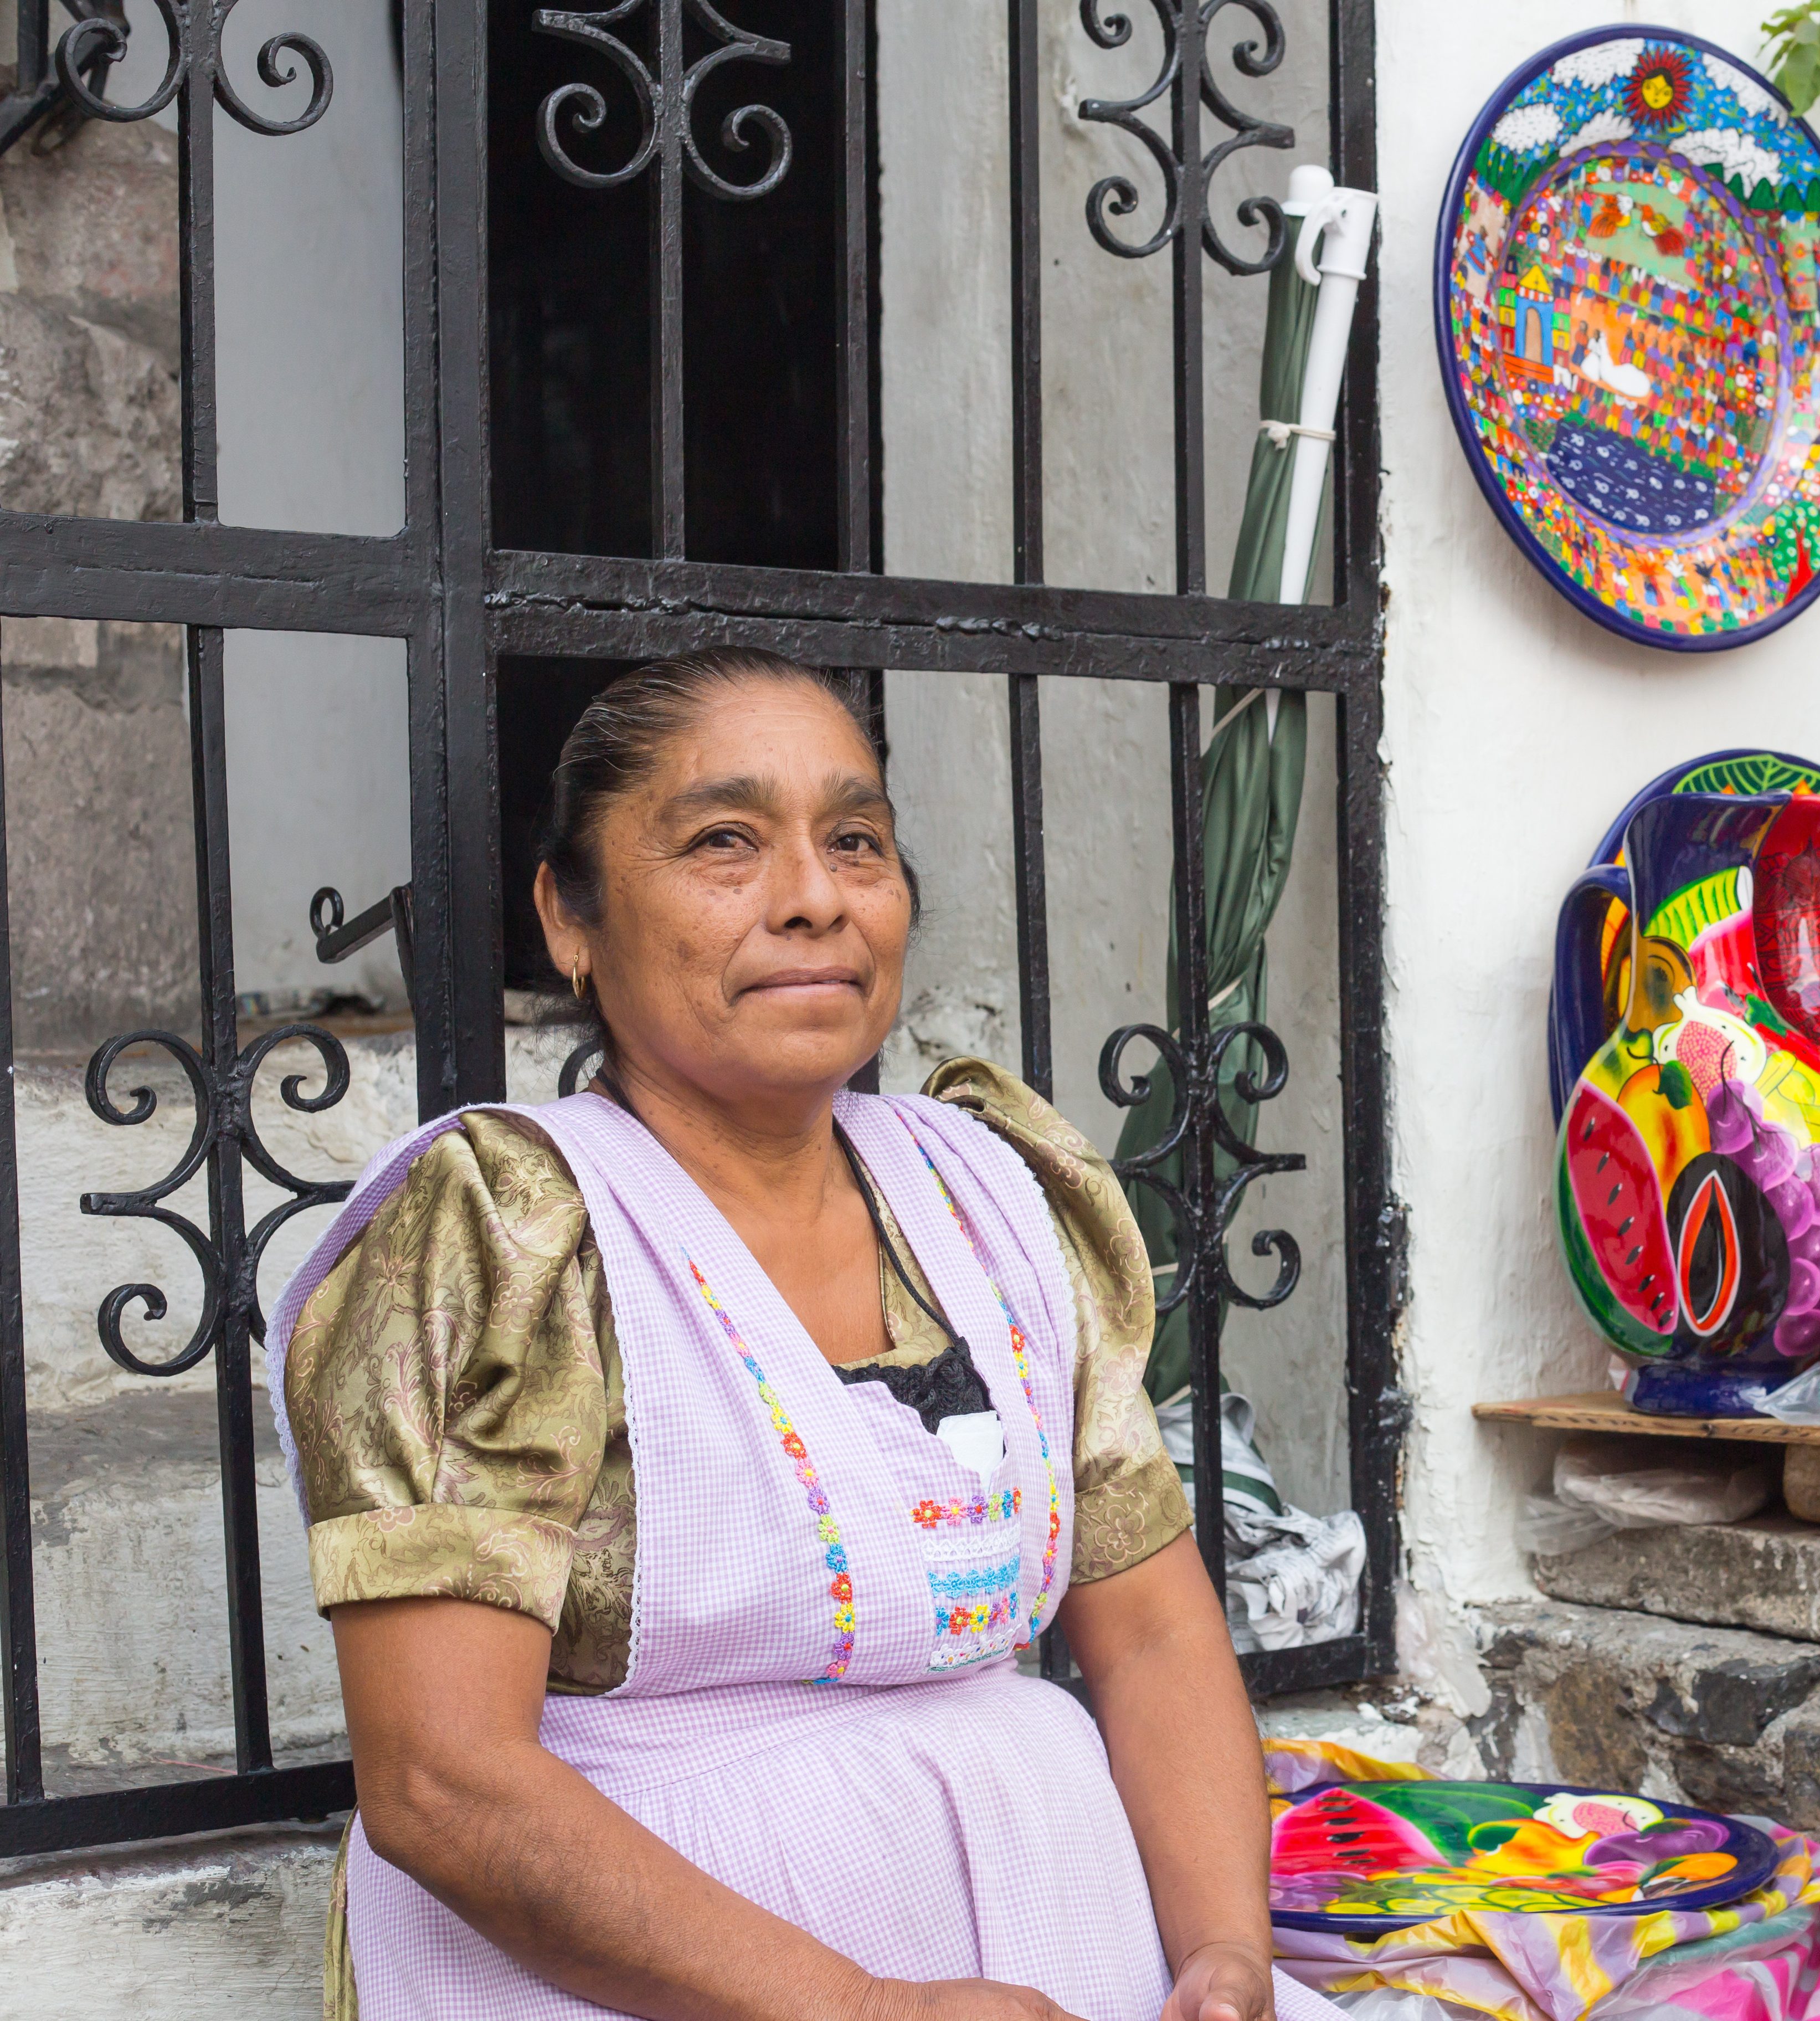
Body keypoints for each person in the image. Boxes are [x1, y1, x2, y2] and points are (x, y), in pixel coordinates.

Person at [273, 647, 1330, 2021]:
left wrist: (1224, 1955)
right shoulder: (512, 1236)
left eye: (856, 841)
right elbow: (443, 1783)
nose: (816, 897)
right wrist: (871, 2009)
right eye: (725, 841)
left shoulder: (995, 1200)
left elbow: (1150, 1638)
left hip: (1066, 1951)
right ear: (569, 916)